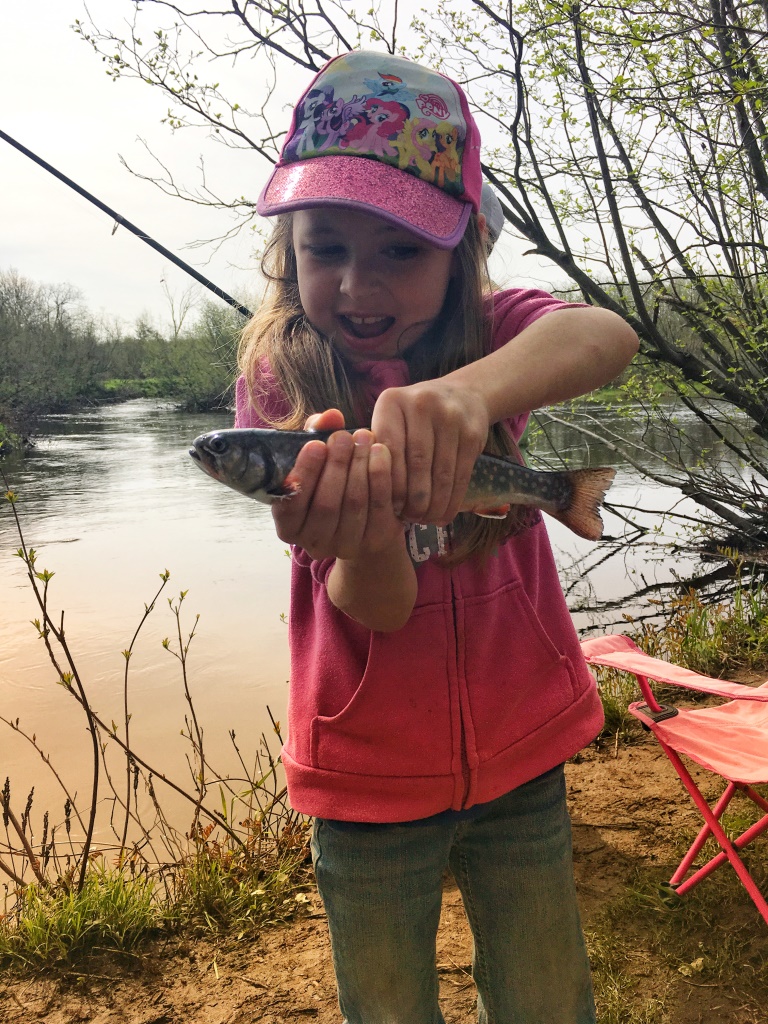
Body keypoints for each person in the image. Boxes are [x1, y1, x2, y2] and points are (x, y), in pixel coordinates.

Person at [235, 50, 638, 1024]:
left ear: (462, 250)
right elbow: (378, 604)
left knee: (549, 997)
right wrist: (369, 538)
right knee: (386, 1003)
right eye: (325, 246)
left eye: (401, 250)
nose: (357, 283)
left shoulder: (497, 333)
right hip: (363, 773)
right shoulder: (281, 388)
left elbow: (607, 336)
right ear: (288, 247)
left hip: (525, 741)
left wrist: (470, 395)